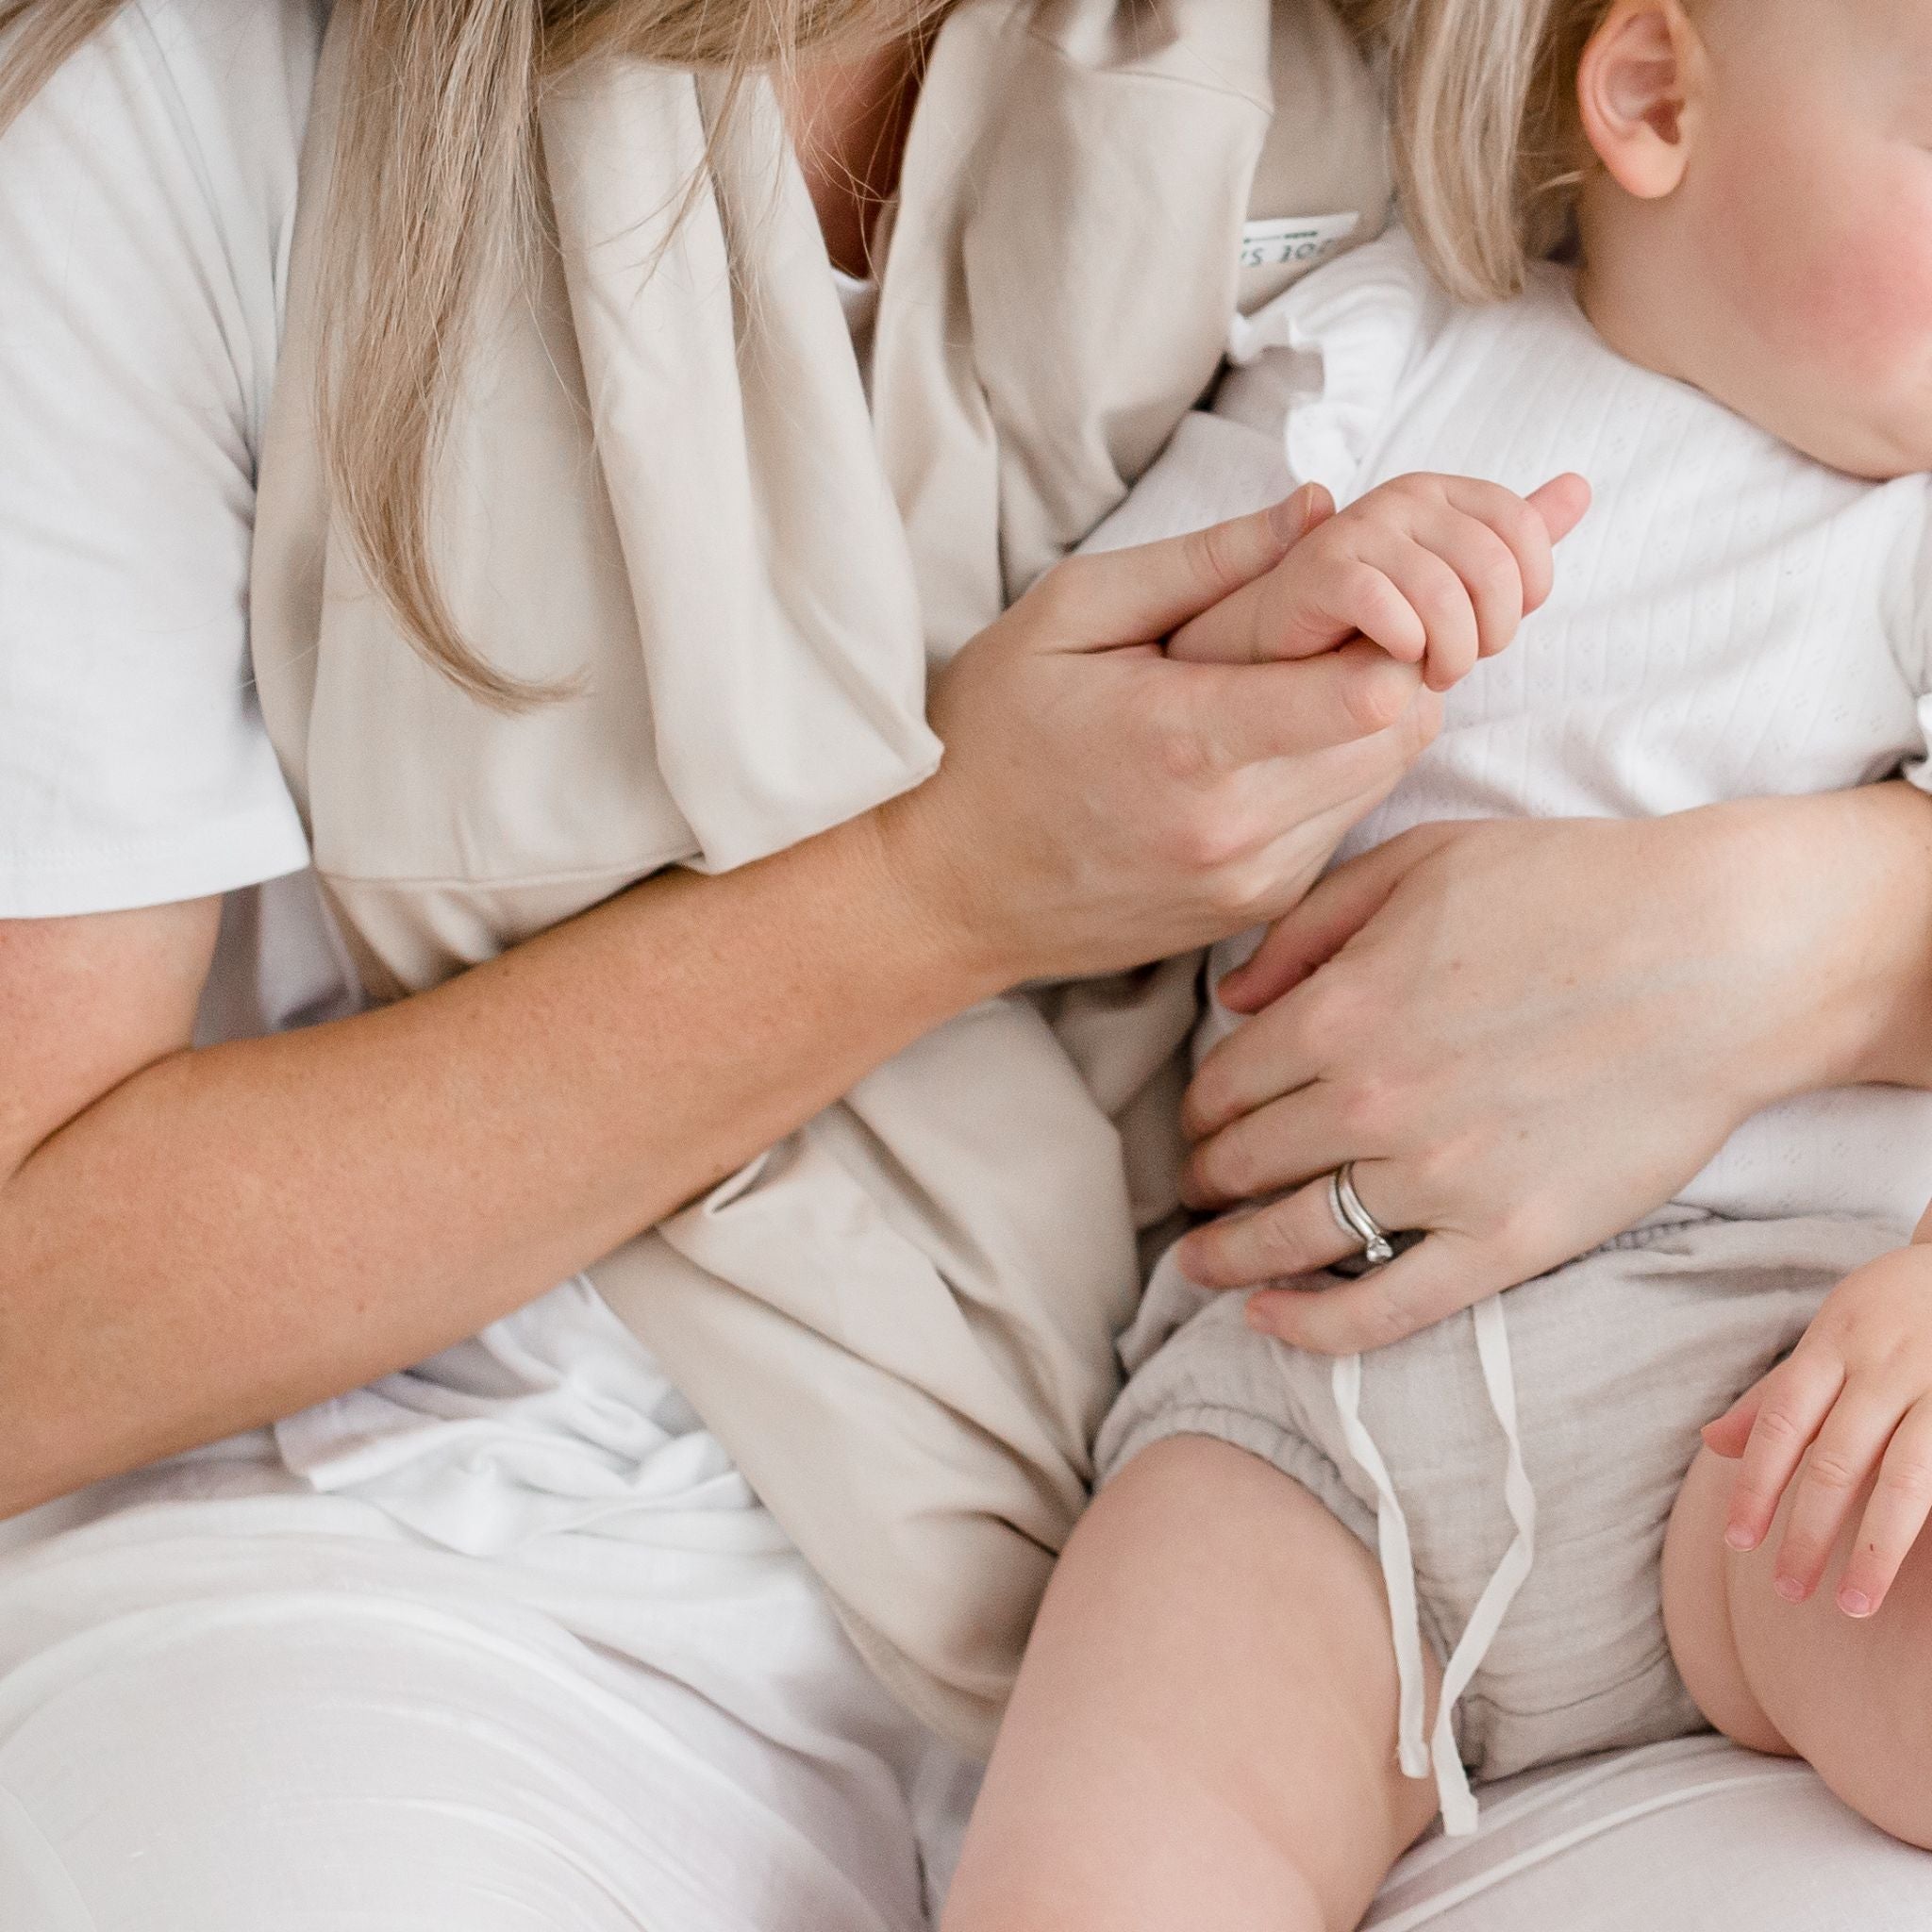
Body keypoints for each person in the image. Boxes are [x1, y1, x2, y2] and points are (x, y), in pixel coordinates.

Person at [3, 0, 1932, 1928]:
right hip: (1014, 1497)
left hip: (1744, 1416)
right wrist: (939, 886)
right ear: (1648, 97)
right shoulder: (186, 114)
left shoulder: (1375, 75)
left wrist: (1817, 932)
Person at [941, 0, 1932, 1925]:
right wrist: (1280, 634)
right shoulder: (1389, 364)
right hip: (1309, 1416)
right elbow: (1072, 773)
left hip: (1790, 1392)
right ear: (1650, 97)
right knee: (1102, 1860)